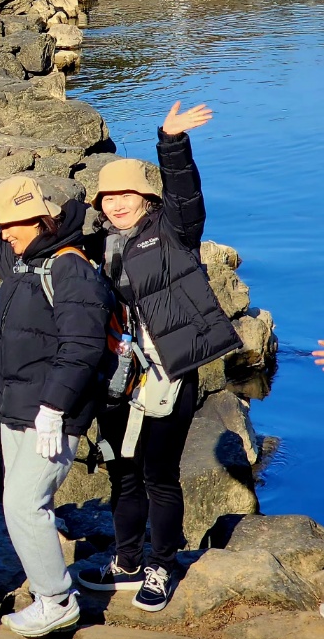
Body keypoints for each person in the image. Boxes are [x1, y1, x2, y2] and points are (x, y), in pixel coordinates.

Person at [0, 128, 113, 639]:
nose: (2, 233)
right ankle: (50, 590)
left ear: (38, 220)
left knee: (23, 504)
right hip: (17, 408)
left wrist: (54, 408)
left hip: (50, 415)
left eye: (10, 225)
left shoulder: (70, 269)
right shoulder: (23, 259)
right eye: (2, 226)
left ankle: (56, 600)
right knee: (20, 503)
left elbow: (83, 347)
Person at [76, 102, 241, 612]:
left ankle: (162, 566)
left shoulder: (174, 230)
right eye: (109, 197)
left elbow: (186, 193)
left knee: (158, 475)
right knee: (122, 471)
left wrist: (171, 141)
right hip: (118, 376)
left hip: (170, 372)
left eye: (127, 195)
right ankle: (126, 561)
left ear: (146, 198)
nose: (117, 204)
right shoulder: (94, 243)